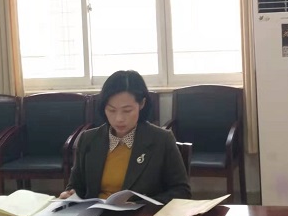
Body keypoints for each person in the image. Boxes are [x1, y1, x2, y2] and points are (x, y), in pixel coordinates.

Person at [59, 70, 191, 203]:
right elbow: (76, 186)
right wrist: (70, 194)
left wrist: (138, 205)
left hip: (141, 214)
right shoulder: (88, 139)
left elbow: (181, 191)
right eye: (111, 110)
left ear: (142, 104)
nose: (119, 119)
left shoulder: (162, 140)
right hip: (94, 214)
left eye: (127, 110)